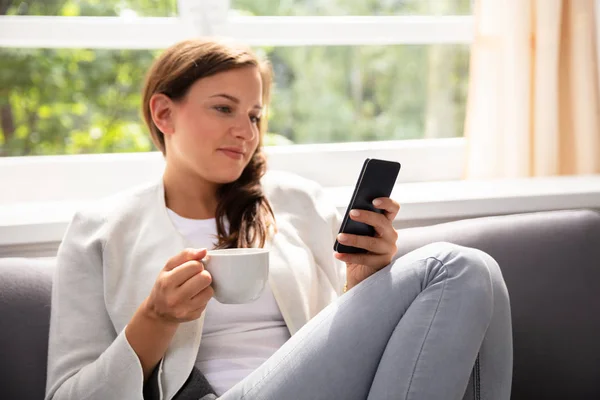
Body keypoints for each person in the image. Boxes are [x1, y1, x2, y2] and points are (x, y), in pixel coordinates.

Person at [44, 38, 512, 400]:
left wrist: (363, 281)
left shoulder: (298, 204)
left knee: (483, 275)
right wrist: (155, 319)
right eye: (224, 108)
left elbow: (340, 350)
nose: (245, 131)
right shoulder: (100, 231)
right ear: (164, 113)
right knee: (457, 267)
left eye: (254, 115)